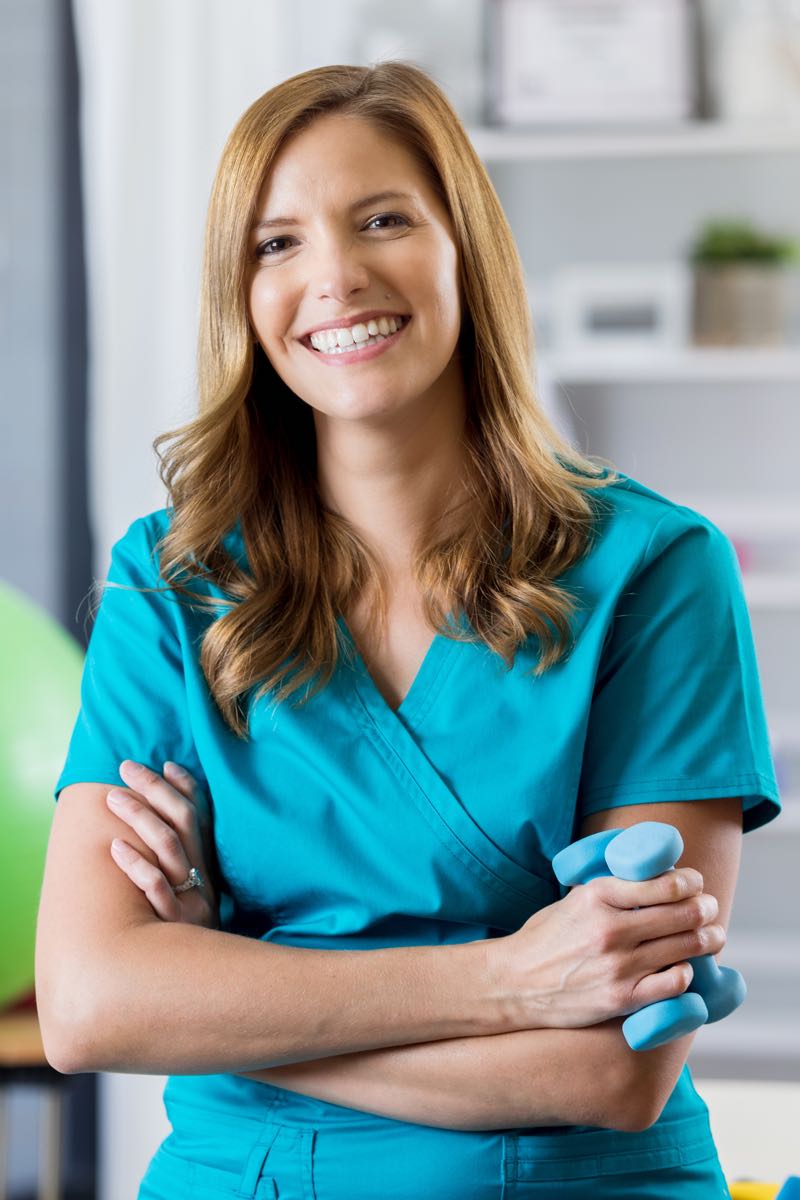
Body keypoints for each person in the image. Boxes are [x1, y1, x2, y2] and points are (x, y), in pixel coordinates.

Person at [36, 61, 781, 1200]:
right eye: (275, 244)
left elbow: (610, 1073)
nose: (333, 276)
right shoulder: (170, 580)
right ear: (238, 294)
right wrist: (510, 980)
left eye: (382, 220)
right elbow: (88, 1008)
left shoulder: (652, 570)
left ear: (463, 252)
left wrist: (224, 993)